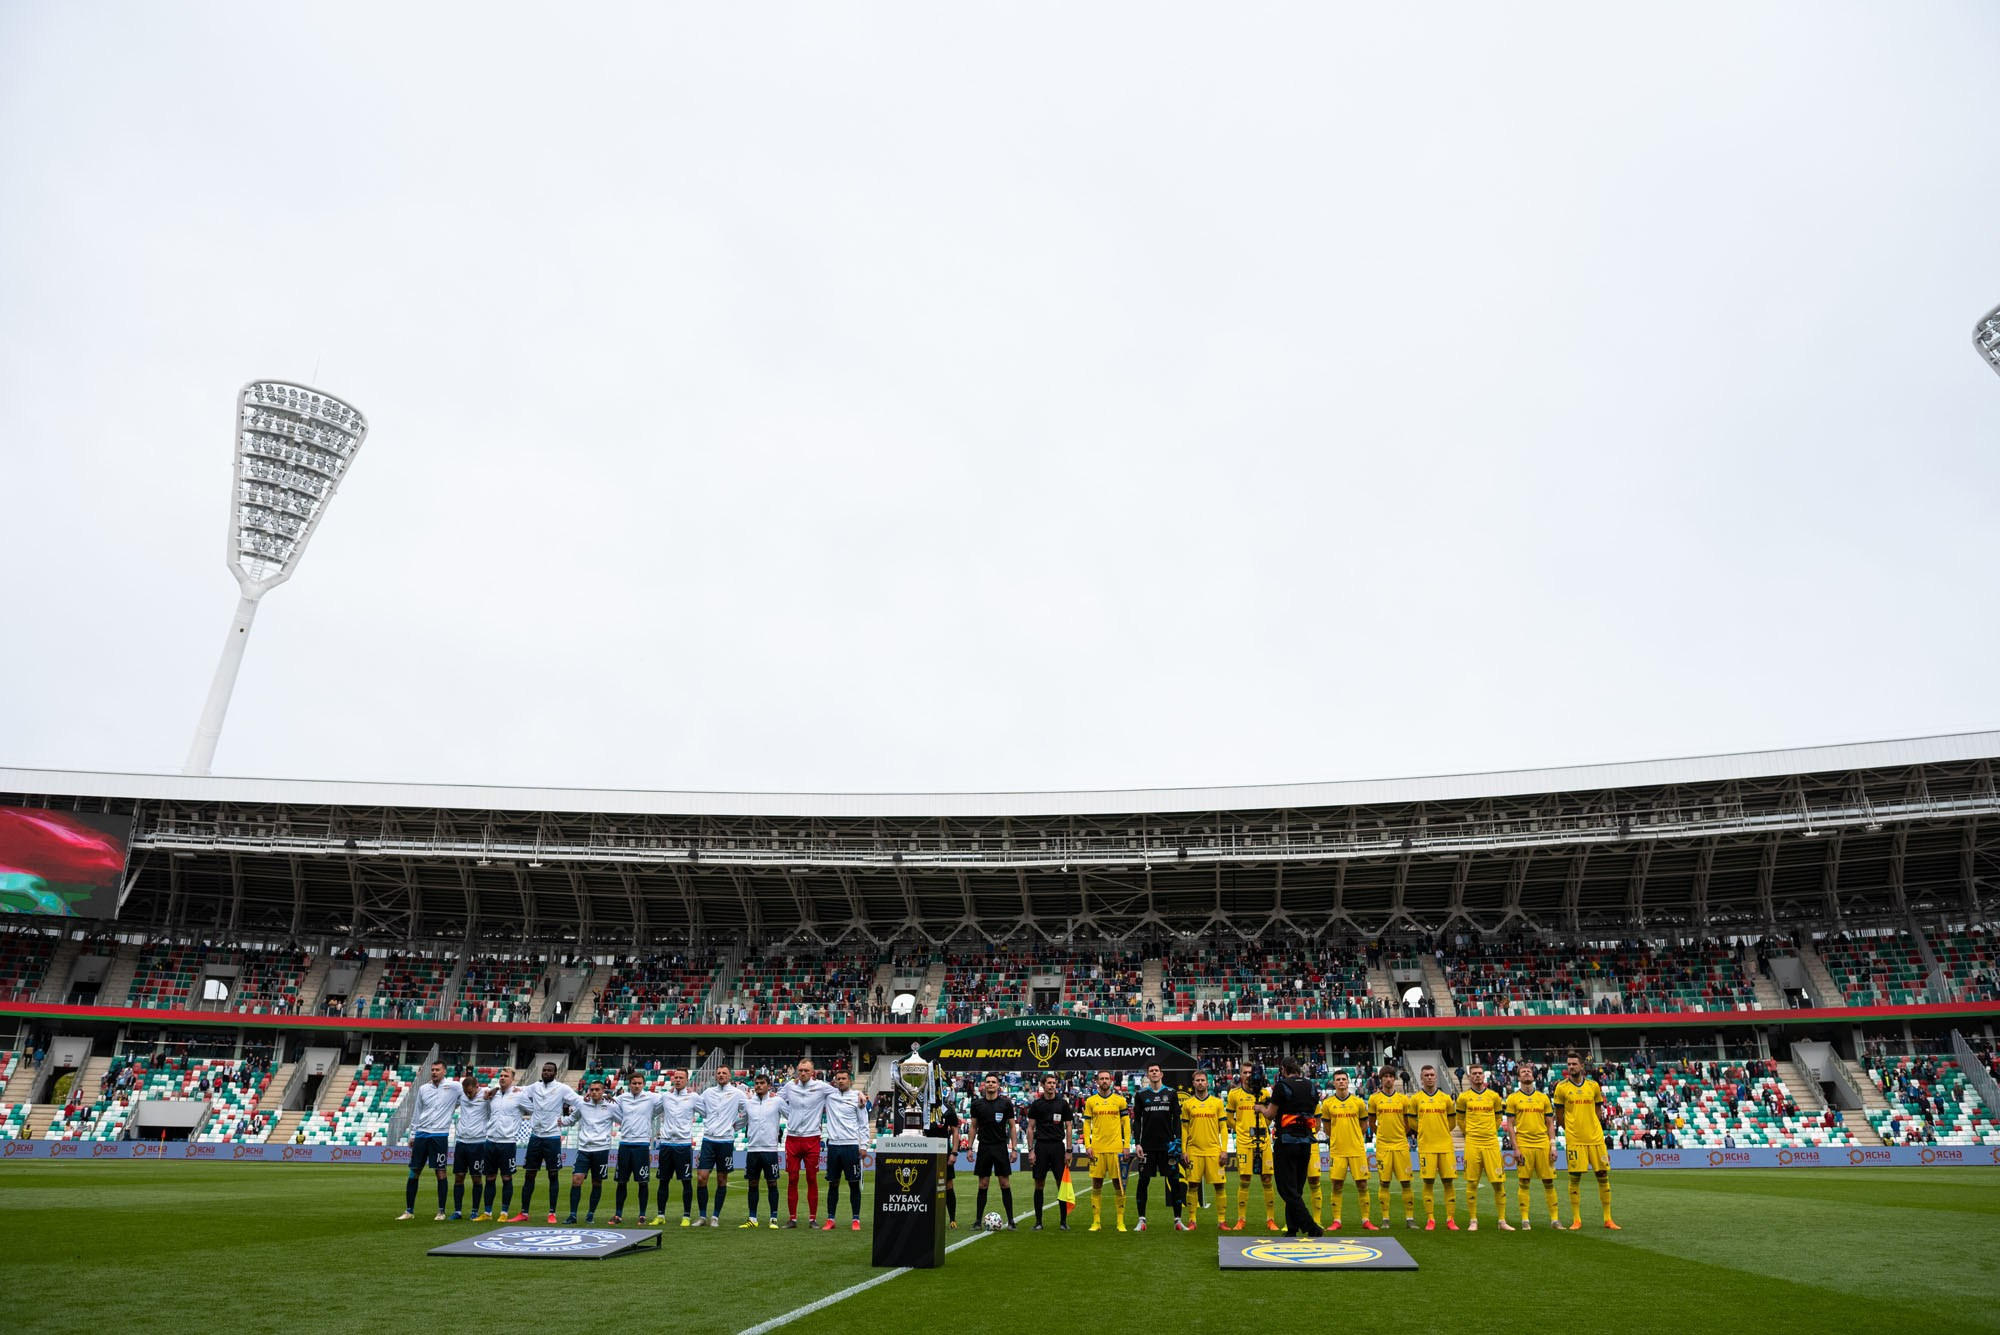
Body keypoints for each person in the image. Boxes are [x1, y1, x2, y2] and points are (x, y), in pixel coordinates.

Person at [1552, 1051, 1620, 1230]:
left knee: (1602, 1175)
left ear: (1582, 1066)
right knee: (1575, 1177)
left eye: (1574, 1064)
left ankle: (1608, 1219)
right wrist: (1572, 1130)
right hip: (1575, 1139)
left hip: (1596, 1139)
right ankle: (1577, 1219)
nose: (1571, 1067)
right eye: (1569, 1064)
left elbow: (1598, 1110)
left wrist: (1591, 1126)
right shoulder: (1561, 1087)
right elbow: (1559, 1116)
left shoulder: (1593, 1086)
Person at [1256, 1058, 1322, 1238]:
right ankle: (1292, 1228)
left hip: (1286, 1140)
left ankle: (1311, 1226)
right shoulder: (1311, 1086)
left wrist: (1260, 1108)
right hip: (1306, 1140)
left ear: (1283, 1069)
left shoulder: (1282, 1085)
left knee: (1287, 1189)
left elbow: (1270, 1113)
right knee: (1297, 1187)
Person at [778, 1059, 835, 1228]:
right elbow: (775, 1098)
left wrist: (859, 1094)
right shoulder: (789, 1086)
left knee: (812, 1178)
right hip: (793, 1139)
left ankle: (812, 1219)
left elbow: (841, 1091)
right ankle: (792, 1219)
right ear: (797, 1071)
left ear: (813, 1072)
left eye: (806, 1071)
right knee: (792, 1178)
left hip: (812, 1138)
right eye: (800, 1070)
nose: (802, 1073)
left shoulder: (822, 1087)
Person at [519, 1061, 579, 1224]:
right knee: (529, 1173)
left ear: (555, 1073)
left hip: (552, 1137)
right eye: (544, 1070)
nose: (546, 1072)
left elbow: (579, 1102)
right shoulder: (534, 1087)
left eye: (549, 1070)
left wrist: (568, 1120)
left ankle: (552, 1213)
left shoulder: (562, 1088)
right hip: (535, 1136)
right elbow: (519, 1094)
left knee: (553, 1174)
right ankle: (524, 1212)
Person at [398, 1061, 458, 1221]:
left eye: (437, 1070)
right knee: (414, 1171)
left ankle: (441, 1211)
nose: (434, 1072)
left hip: (439, 1135)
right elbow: (417, 1111)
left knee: (440, 1172)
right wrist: (413, 1134)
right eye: (432, 1070)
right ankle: (409, 1211)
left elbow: (473, 1090)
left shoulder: (453, 1087)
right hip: (422, 1134)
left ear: (444, 1071)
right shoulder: (424, 1089)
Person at [1504, 1061, 1560, 1229]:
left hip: (1543, 1143)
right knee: (1524, 1182)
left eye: (1529, 1071)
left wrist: (1553, 1145)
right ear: (1518, 1077)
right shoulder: (1513, 1098)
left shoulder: (1543, 1098)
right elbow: (1510, 1125)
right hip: (1524, 1144)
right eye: (1523, 1072)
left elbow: (1550, 1124)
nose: (1527, 1074)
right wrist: (1515, 1148)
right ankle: (1525, 1220)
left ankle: (1555, 1220)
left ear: (1533, 1076)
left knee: (1549, 1182)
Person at [1317, 1069, 1374, 1231]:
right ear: (1333, 1083)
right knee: (1337, 1185)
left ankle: (1366, 1219)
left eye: (1343, 1079)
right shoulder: (1328, 1104)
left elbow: (1364, 1125)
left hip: (1356, 1149)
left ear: (1348, 1082)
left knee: (1362, 1184)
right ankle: (1337, 1220)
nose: (1341, 1082)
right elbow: (1327, 1128)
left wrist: (1354, 1136)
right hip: (1337, 1150)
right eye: (1338, 1079)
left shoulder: (1358, 1103)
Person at [1130, 1063, 1183, 1231]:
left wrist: (1178, 1141)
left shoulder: (1171, 1093)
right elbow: (1137, 1120)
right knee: (1143, 1182)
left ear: (1161, 1074)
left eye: (1156, 1071)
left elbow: (1176, 1119)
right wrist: (1137, 1143)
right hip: (1147, 1147)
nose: (1154, 1073)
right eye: (1151, 1071)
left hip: (1168, 1147)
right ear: (1148, 1075)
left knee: (1174, 1182)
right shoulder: (1141, 1095)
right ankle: (1141, 1220)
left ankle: (1178, 1220)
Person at [1225, 1061, 1276, 1232]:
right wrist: (1240, 1128)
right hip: (1245, 1142)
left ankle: (1270, 1219)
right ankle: (1241, 1219)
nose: (1248, 1075)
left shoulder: (1264, 1093)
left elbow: (1270, 1115)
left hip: (1263, 1141)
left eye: (1250, 1072)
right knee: (1244, 1179)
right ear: (1240, 1074)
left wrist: (1264, 1124)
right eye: (1245, 1072)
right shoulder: (1234, 1094)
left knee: (1267, 1179)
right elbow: (1229, 1117)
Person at [1457, 1063, 1509, 1231]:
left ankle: (1502, 1221)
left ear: (1484, 1076)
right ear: (1469, 1077)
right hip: (1472, 1143)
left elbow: (1498, 1118)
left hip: (1491, 1143)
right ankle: (1473, 1220)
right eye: (1474, 1073)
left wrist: (1489, 1132)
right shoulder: (1463, 1098)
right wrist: (1471, 1133)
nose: (1478, 1076)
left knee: (1498, 1183)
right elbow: (1460, 1120)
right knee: (1471, 1182)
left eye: (1480, 1073)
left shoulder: (1494, 1096)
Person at [1024, 1072, 1078, 1231]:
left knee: (1061, 1185)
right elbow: (1030, 1128)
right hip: (1041, 1147)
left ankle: (1063, 1222)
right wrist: (1030, 1150)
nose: (1052, 1085)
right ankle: (1038, 1222)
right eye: (1049, 1083)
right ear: (1042, 1085)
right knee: (1039, 1183)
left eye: (1054, 1083)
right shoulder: (1036, 1105)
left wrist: (1069, 1150)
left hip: (1057, 1147)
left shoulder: (1062, 1104)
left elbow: (1069, 1127)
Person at [696, 1066, 749, 1226]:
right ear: (715, 1075)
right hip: (708, 1140)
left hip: (725, 1141)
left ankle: (715, 1217)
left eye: (724, 1073)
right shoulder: (708, 1093)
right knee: (701, 1178)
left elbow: (749, 1112)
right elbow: (699, 1108)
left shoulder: (738, 1094)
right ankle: (702, 1216)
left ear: (729, 1076)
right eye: (718, 1073)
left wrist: (735, 1127)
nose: (721, 1075)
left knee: (721, 1179)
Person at [821, 1067, 872, 1231]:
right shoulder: (829, 1096)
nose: (841, 1081)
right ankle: (830, 1219)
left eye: (844, 1078)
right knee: (833, 1184)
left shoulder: (857, 1098)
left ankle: (855, 1219)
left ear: (850, 1080)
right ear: (835, 1080)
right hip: (834, 1146)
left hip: (851, 1145)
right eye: (838, 1078)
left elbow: (863, 1124)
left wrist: (863, 1145)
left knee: (853, 1184)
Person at [649, 1069, 701, 1227]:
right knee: (663, 1181)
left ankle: (686, 1216)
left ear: (686, 1080)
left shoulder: (693, 1097)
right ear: (673, 1079)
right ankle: (660, 1215)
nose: (678, 1080)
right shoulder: (666, 1096)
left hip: (683, 1145)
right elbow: (652, 1112)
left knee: (686, 1181)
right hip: (665, 1144)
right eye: (676, 1077)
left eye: (681, 1078)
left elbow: (706, 1112)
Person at [967, 1074, 1019, 1229]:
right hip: (984, 1147)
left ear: (998, 1085)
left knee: (1004, 1183)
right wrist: (969, 1148)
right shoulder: (977, 1104)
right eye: (988, 1082)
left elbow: (1012, 1127)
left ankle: (1011, 1221)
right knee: (983, 1184)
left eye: (993, 1082)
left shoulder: (1005, 1104)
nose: (990, 1084)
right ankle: (977, 1221)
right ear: (984, 1085)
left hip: (1000, 1147)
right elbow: (973, 1127)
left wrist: (1014, 1148)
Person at [1177, 1071, 1226, 1231]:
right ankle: (1192, 1220)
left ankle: (1221, 1221)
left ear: (1207, 1083)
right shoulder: (1187, 1104)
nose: (1200, 1083)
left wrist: (1223, 1150)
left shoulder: (1217, 1103)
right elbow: (1184, 1129)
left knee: (1219, 1186)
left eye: (1202, 1080)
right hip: (1194, 1151)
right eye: (1197, 1080)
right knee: (1192, 1186)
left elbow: (1223, 1127)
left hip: (1213, 1150)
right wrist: (1184, 1150)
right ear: (1193, 1083)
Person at [1368, 1068, 1417, 1228]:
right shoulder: (1374, 1099)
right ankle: (1385, 1219)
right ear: (1381, 1079)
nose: (1388, 1079)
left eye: (1390, 1077)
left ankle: (1410, 1219)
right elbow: (1371, 1122)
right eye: (1385, 1077)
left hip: (1401, 1145)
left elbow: (1408, 1123)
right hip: (1383, 1146)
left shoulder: (1403, 1099)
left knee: (1406, 1182)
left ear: (1394, 1079)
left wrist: (1399, 1135)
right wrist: (1382, 1135)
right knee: (1384, 1182)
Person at [611, 1071, 661, 1225]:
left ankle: (642, 1215)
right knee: (621, 1181)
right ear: (629, 1084)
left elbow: (669, 1101)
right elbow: (607, 1103)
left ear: (644, 1084)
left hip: (642, 1145)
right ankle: (618, 1215)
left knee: (643, 1182)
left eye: (639, 1083)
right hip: (625, 1144)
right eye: (634, 1083)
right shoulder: (621, 1098)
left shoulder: (651, 1097)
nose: (637, 1086)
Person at [1082, 1069, 1130, 1232]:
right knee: (1097, 1184)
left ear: (1111, 1081)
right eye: (1101, 1079)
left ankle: (1120, 1222)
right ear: (1097, 1081)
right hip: (1097, 1149)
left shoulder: (1119, 1100)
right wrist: (1088, 1146)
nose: (1104, 1081)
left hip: (1116, 1148)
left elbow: (1126, 1124)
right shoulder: (1090, 1101)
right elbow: (1087, 1124)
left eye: (1106, 1078)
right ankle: (1096, 1222)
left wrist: (1126, 1145)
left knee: (1118, 1185)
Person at [566, 1079, 619, 1223]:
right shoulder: (582, 1105)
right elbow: (571, 1119)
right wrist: (556, 1122)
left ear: (603, 1091)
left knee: (597, 1183)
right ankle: (572, 1215)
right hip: (583, 1149)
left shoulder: (611, 1107)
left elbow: (624, 1119)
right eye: (592, 1089)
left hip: (601, 1150)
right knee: (577, 1180)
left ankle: (590, 1215)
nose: (594, 1092)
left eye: (597, 1089)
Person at [1413, 1064, 1459, 1231]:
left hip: (1445, 1146)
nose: (1430, 1077)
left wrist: (1441, 1132)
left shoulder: (1446, 1098)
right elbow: (1412, 1122)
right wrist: (1424, 1133)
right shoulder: (1416, 1099)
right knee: (1428, 1182)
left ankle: (1450, 1219)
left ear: (1436, 1077)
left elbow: (1452, 1122)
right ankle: (1430, 1219)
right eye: (1426, 1075)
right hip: (1426, 1147)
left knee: (1448, 1182)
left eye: (1432, 1075)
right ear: (1421, 1078)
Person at [480, 1068, 528, 1220]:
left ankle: (504, 1212)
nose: (502, 1078)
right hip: (490, 1141)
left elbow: (534, 1109)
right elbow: (488, 1113)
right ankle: (487, 1212)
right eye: (500, 1075)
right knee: (489, 1177)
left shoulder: (519, 1095)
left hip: (507, 1142)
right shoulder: (493, 1095)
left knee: (506, 1177)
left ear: (512, 1079)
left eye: (506, 1076)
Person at [740, 1072, 784, 1227]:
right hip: (752, 1149)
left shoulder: (777, 1102)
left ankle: (773, 1218)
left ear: (768, 1085)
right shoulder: (749, 1103)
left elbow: (792, 1114)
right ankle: (752, 1218)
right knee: (752, 1183)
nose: (758, 1085)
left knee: (772, 1183)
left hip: (770, 1149)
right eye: (756, 1083)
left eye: (762, 1083)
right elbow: (741, 1121)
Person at [448, 1070, 488, 1220]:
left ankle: (474, 1210)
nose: (468, 1095)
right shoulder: (462, 1096)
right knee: (459, 1177)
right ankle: (457, 1211)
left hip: (477, 1143)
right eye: (466, 1092)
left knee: (476, 1178)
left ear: (477, 1087)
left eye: (470, 1092)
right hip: (461, 1142)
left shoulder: (486, 1095)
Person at [925, 1093, 964, 1228]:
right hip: (925, 1151)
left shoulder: (947, 1109)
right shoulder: (923, 1107)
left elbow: (955, 1131)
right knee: (926, 1185)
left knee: (948, 1185)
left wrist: (954, 1152)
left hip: (944, 1151)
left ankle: (952, 1219)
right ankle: (928, 1218)